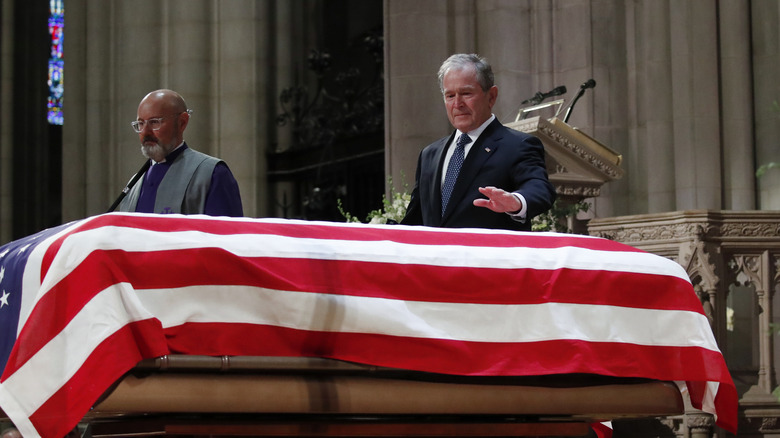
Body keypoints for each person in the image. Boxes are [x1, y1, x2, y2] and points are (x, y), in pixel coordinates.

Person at [401, 54, 555, 231]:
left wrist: (516, 202)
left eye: (466, 93)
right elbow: (415, 219)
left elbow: (539, 189)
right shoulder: (430, 154)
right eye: (450, 95)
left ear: (491, 96)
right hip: (437, 257)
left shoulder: (518, 145)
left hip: (488, 256)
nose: (457, 104)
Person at [118, 89, 243, 217]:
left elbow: (226, 233)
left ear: (182, 122)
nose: (145, 132)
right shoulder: (133, 185)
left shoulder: (212, 173)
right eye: (140, 124)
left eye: (155, 122)